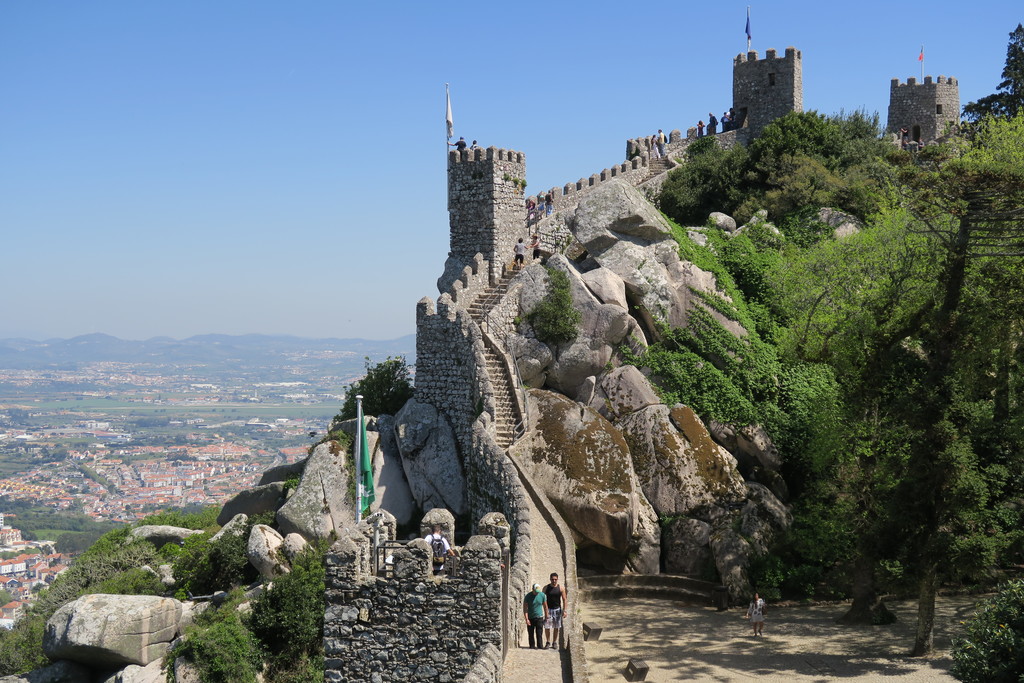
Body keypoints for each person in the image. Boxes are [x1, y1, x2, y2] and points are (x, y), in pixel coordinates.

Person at [543, 572, 567, 649]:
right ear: (550, 579)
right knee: (547, 627)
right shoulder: (546, 588)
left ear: (557, 579)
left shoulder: (561, 588)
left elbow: (564, 600)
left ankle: (554, 642)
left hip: (557, 610)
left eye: (555, 579)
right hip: (549, 610)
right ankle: (548, 642)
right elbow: (543, 599)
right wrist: (545, 610)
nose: (554, 581)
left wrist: (565, 611)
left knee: (556, 627)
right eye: (552, 579)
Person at [523, 583, 548, 649]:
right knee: (531, 634)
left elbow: (545, 606)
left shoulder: (542, 595)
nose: (537, 593)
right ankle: (532, 646)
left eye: (538, 592)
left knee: (539, 633)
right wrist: (526, 619)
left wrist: (546, 616)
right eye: (535, 592)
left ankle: (540, 646)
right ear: (532, 590)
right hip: (531, 617)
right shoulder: (528, 596)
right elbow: (525, 608)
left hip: (539, 617)